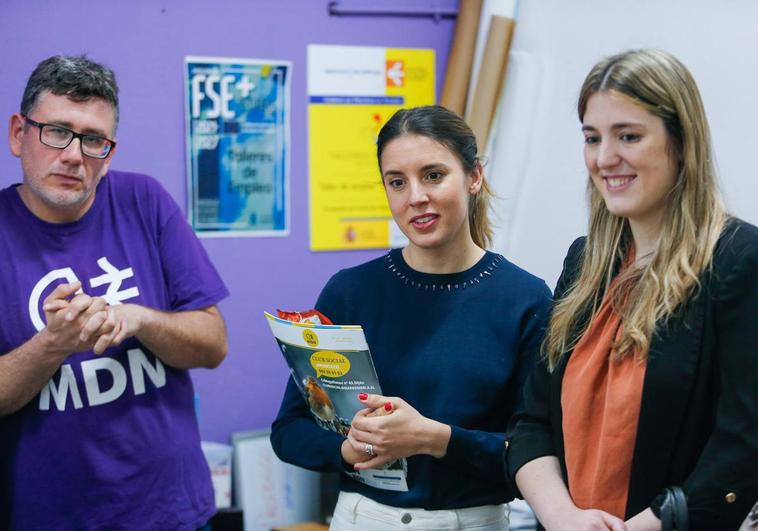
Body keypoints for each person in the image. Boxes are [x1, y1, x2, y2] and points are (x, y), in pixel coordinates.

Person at [506, 49, 758, 531]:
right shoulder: (585, 263)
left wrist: (643, 525)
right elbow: (530, 422)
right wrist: (562, 517)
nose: (605, 159)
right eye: (592, 138)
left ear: (681, 142)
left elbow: (743, 442)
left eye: (629, 136)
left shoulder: (738, 261)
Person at [271, 105, 551, 530]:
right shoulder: (351, 292)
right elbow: (289, 432)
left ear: (474, 176)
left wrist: (435, 439)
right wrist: (350, 449)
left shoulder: (524, 298)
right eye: (397, 182)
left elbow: (538, 451)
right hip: (363, 518)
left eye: (433, 175)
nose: (415, 197)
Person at [0, 55, 229, 530]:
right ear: (18, 133)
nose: (73, 154)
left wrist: (138, 319)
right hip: (50, 518)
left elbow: (213, 345)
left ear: (109, 152)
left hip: (172, 511)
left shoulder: (143, 200)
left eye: (93, 140)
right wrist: (54, 342)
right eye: (57, 131)